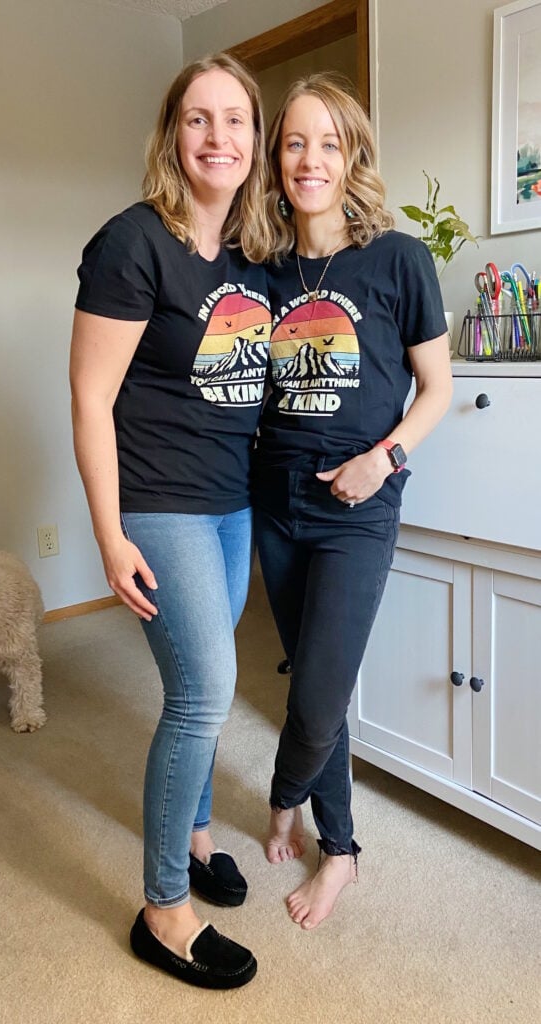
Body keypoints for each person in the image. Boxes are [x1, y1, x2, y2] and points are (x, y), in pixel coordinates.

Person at [69, 53, 273, 989]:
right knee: (204, 691)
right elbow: (89, 395)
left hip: (230, 501)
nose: (219, 137)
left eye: (236, 119)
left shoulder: (248, 254)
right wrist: (111, 535)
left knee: (205, 684)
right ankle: (163, 908)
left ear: (254, 139)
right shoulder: (131, 243)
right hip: (159, 503)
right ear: (173, 134)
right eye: (199, 119)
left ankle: (193, 835)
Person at [252, 73, 453, 932]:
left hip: (358, 503)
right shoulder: (260, 269)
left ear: (353, 156)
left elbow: (437, 389)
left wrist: (384, 459)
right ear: (278, 158)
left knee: (321, 696)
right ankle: (341, 847)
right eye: (295, 142)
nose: (311, 159)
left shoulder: (399, 257)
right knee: (304, 679)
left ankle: (283, 797)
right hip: (275, 499)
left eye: (328, 142)